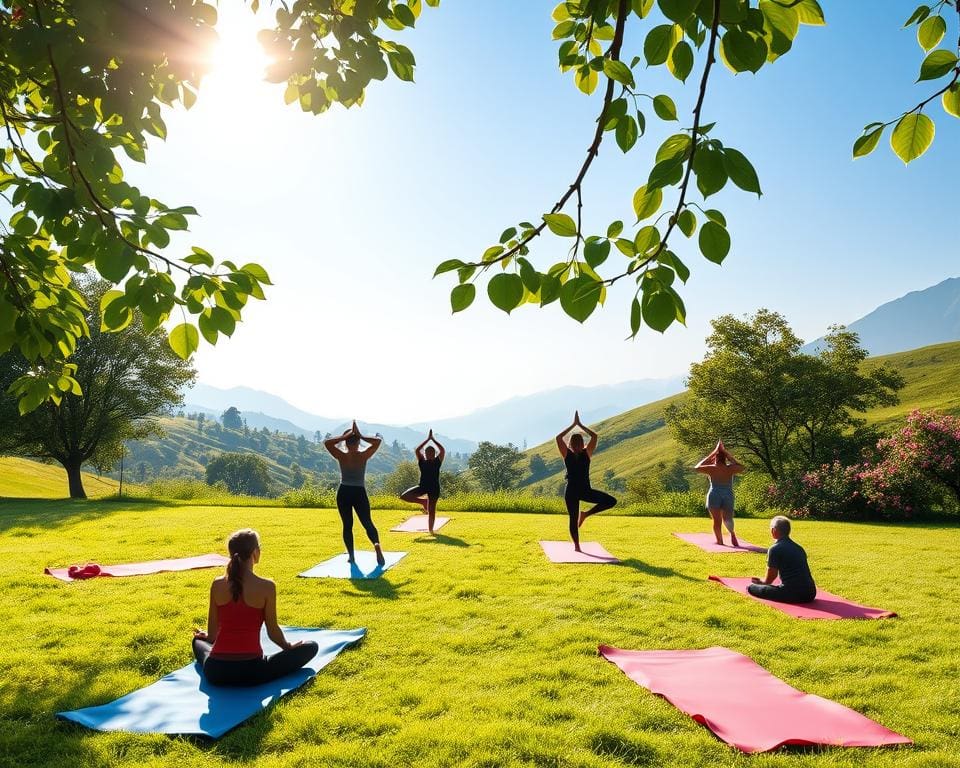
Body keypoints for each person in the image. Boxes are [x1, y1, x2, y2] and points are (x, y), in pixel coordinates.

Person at [192, 529, 318, 686]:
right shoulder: (267, 587)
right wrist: (288, 646)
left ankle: (202, 646)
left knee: (197, 642)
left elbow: (212, 636)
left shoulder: (217, 584)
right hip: (253, 672)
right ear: (255, 552)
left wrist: (206, 636)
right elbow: (272, 632)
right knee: (311, 646)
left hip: (216, 672)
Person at [324, 420, 385, 565]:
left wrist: (345, 437)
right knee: (367, 523)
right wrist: (360, 435)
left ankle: (351, 556)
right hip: (359, 492)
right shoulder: (363, 455)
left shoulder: (341, 455)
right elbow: (377, 442)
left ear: (345, 443)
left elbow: (327, 443)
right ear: (358, 443)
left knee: (347, 525)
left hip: (344, 491)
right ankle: (376, 544)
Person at [555, 411, 617, 551]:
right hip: (574, 491)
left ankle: (585, 515)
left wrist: (576, 425)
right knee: (573, 518)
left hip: (582, 490)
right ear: (573, 444)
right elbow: (593, 436)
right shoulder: (575, 454)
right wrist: (578, 425)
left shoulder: (580, 453)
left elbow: (559, 438)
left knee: (610, 501)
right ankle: (577, 546)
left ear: (580, 444)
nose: (577, 445)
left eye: (579, 442)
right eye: (576, 442)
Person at [748, 516, 817, 604]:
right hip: (810, 593)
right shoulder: (799, 548)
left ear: (773, 530)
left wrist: (761, 583)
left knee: (751, 588)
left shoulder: (775, 549)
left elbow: (770, 578)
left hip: (793, 594)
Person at [694, 440, 745, 547]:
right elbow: (742, 467)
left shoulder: (712, 469)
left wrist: (712, 453)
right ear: (725, 458)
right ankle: (732, 533)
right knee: (728, 519)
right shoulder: (730, 469)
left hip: (714, 494)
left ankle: (720, 541)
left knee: (717, 521)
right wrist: (727, 454)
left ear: (715, 458)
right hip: (728, 495)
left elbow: (697, 467)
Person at [399, 429, 445, 533]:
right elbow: (417, 450)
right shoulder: (422, 461)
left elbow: (442, 450)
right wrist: (427, 439)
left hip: (434, 488)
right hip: (422, 486)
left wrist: (433, 440)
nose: (428, 454)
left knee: (432, 511)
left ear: (434, 454)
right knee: (404, 496)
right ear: (425, 453)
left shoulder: (438, 461)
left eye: (431, 452)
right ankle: (423, 502)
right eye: (427, 452)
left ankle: (431, 531)